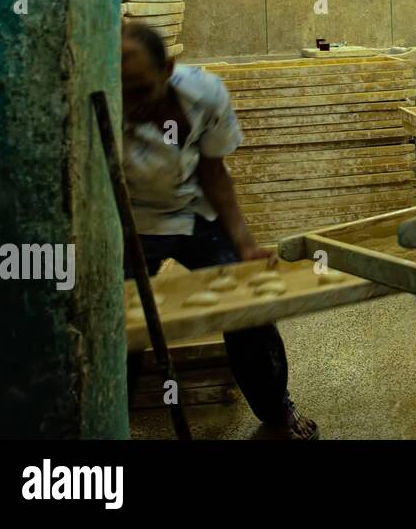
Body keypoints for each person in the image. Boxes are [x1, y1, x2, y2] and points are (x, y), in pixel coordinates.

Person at [119, 22, 318, 438]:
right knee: (118, 320)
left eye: (140, 89)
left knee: (248, 308)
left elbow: (214, 172)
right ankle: (109, 419)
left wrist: (244, 244)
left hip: (194, 211)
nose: (130, 101)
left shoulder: (204, 94)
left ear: (168, 69)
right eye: (122, 89)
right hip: (126, 219)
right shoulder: (103, 101)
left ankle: (275, 409)